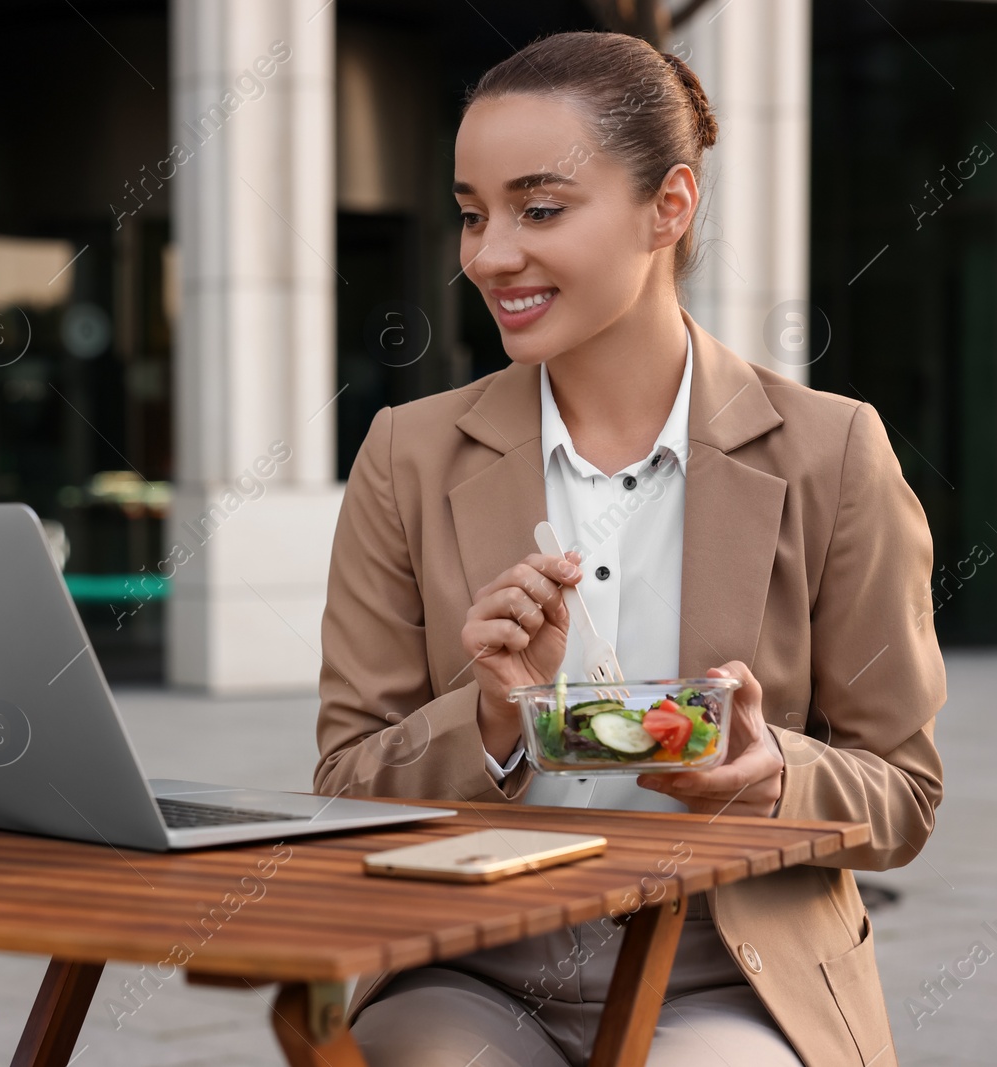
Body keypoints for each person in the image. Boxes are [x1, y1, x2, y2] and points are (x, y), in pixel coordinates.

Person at [314, 30, 945, 1067]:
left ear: (671, 206)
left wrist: (767, 769)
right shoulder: (408, 454)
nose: (487, 254)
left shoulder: (832, 450)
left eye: (540, 208)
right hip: (470, 960)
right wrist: (485, 717)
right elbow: (343, 781)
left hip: (728, 966)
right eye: (472, 213)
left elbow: (904, 795)